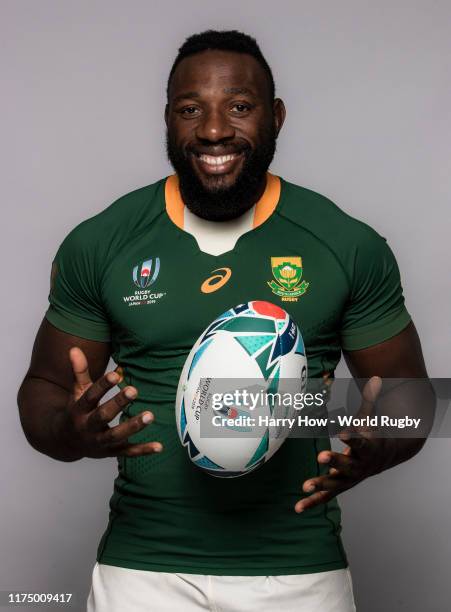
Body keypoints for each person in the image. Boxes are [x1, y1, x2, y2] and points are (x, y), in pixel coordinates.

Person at [18, 30, 433, 612]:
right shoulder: (104, 242)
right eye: (192, 110)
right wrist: (73, 430)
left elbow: (413, 400)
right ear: (168, 119)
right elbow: (42, 391)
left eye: (239, 107)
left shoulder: (345, 244)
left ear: (277, 118)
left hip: (297, 574)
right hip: (141, 571)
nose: (213, 131)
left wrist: (375, 443)